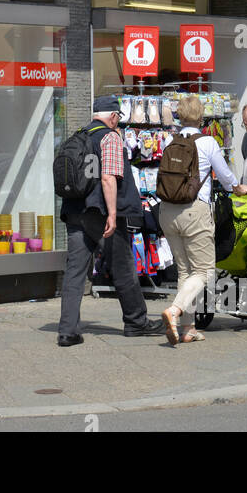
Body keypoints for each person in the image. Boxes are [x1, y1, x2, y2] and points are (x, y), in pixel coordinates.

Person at [57, 95, 167, 347]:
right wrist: (113, 215)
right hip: (100, 213)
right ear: (114, 116)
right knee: (123, 266)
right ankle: (136, 321)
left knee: (74, 272)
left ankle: (67, 331)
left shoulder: (77, 136)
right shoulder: (109, 137)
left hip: (75, 211)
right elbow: (108, 178)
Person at [160, 95, 247, 345]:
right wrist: (238, 187)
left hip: (167, 212)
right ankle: (175, 311)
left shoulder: (170, 140)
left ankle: (188, 328)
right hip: (194, 211)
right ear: (201, 117)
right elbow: (225, 177)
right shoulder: (208, 142)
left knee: (185, 271)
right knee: (204, 270)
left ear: (179, 116)